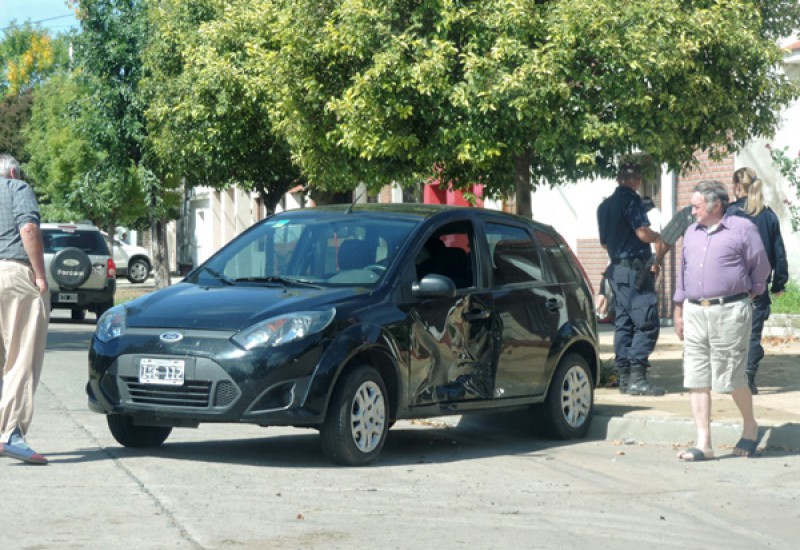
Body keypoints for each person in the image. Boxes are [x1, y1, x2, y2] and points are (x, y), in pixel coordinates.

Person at [673, 180, 770, 461]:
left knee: (731, 376)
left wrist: (752, 292)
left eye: (696, 206)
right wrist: (678, 309)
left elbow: (760, 266)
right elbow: (683, 272)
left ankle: (750, 426)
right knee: (696, 376)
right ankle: (703, 442)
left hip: (729, 312)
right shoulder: (691, 232)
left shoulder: (743, 229)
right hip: (694, 311)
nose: (692, 212)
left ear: (716, 205)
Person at [597, 162, 664, 395]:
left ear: (618, 179)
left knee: (624, 323)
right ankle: (638, 379)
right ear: (637, 181)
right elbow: (642, 233)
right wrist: (657, 237)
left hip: (617, 271)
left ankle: (624, 378)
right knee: (646, 323)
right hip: (635, 271)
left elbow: (604, 244)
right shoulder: (632, 201)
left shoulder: (604, 206)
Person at [0, 154, 50, 465]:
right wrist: (40, 276)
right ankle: (10, 433)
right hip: (13, 275)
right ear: (12, 172)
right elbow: (28, 229)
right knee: (21, 356)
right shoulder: (16, 188)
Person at [728, 167, 789, 395]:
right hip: (758, 285)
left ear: (737, 186)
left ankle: (733, 377)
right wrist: (779, 282)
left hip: (731, 285)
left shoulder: (729, 214)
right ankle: (748, 378)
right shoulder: (768, 215)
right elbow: (778, 252)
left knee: (732, 333)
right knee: (753, 334)